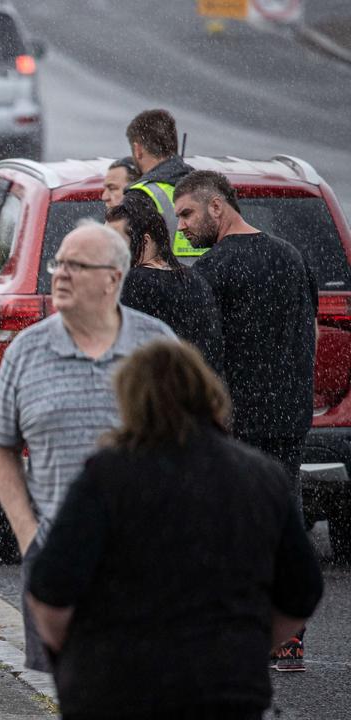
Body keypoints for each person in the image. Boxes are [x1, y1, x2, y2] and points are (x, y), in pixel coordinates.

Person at [27, 339, 323, 719]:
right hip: (228, 692)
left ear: (130, 399)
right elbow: (303, 590)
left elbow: (50, 590)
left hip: (118, 690)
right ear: (208, 392)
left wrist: (85, 654)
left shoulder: (106, 476)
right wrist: (247, 647)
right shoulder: (261, 476)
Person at [0, 221, 174, 672]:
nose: (61, 275)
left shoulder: (157, 347)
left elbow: (193, 450)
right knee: (72, 692)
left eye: (77, 265)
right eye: (59, 263)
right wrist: (30, 537)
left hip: (144, 565)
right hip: (57, 562)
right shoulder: (27, 351)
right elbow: (0, 447)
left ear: (113, 277)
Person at [174, 169, 319, 671]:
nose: (182, 228)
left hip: (237, 420)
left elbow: (202, 355)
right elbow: (310, 330)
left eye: (188, 214)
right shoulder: (292, 256)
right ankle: (289, 639)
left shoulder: (214, 269)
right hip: (290, 415)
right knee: (285, 521)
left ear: (218, 207)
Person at [105, 190, 223, 373]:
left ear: (145, 241)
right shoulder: (194, 278)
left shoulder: (131, 283)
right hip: (194, 389)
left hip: (151, 391)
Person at [124, 108, 202, 257]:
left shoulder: (140, 196)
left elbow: (125, 257)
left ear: (138, 149)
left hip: (162, 279)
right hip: (209, 279)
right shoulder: (209, 188)